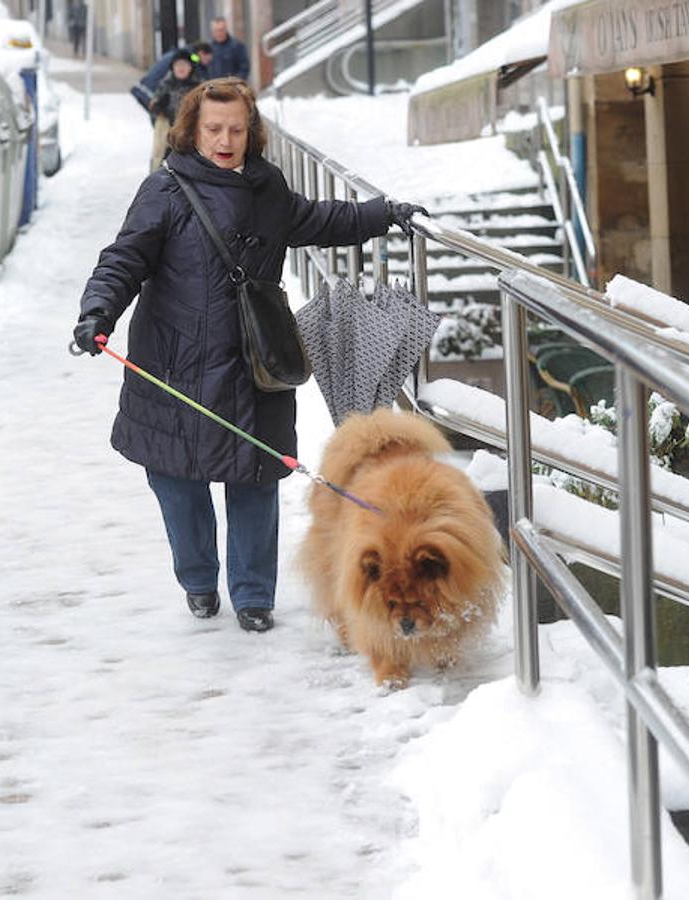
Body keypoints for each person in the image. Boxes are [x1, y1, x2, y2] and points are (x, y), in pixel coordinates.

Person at [72, 78, 426, 633]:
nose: (225, 139)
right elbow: (123, 260)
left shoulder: (268, 189)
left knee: (255, 478)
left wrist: (382, 214)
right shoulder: (163, 191)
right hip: (175, 364)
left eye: (237, 129)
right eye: (214, 128)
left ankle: (254, 595)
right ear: (190, 129)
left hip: (253, 364)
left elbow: (321, 219)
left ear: (251, 131)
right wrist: (97, 311)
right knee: (177, 479)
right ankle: (197, 580)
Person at [148, 52, 203, 172]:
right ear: (172, 68)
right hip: (168, 135)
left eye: (184, 65)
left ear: (191, 67)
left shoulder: (199, 86)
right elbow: (154, 114)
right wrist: (158, 108)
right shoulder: (165, 85)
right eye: (177, 65)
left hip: (191, 134)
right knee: (161, 162)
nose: (181, 68)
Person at [207, 17, 249, 81]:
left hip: (231, 87)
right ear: (212, 31)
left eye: (221, 30)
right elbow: (197, 61)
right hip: (212, 87)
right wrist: (191, 56)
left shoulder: (237, 46)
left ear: (226, 29)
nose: (219, 33)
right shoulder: (208, 47)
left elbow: (244, 67)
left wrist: (237, 81)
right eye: (216, 30)